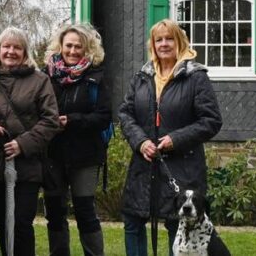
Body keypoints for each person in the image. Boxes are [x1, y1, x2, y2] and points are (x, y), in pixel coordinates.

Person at [118, 19, 223, 256]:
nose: (163, 44)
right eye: (158, 39)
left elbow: (211, 121)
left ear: (179, 42)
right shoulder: (142, 76)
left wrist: (175, 139)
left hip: (182, 166)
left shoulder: (195, 77)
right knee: (133, 222)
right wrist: (140, 141)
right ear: (152, 44)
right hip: (144, 163)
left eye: (169, 39)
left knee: (177, 225)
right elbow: (125, 113)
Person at [0, 27, 60, 256]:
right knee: (2, 221)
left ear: (25, 52)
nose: (11, 51)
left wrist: (23, 144)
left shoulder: (40, 80)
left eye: (17, 47)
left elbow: (51, 120)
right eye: (6, 46)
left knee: (21, 223)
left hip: (27, 164)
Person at [42, 23, 112, 256]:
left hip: (85, 156)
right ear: (60, 46)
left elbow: (103, 117)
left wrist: (71, 120)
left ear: (87, 49)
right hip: (53, 155)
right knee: (55, 211)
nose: (73, 51)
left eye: (78, 47)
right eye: (68, 45)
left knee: (84, 211)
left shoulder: (96, 78)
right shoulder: (46, 76)